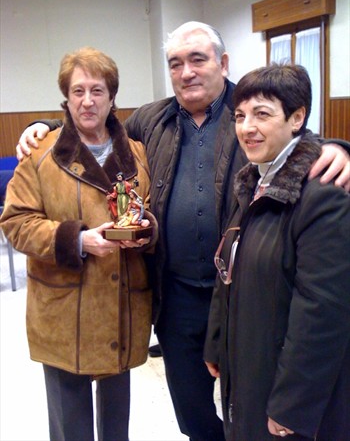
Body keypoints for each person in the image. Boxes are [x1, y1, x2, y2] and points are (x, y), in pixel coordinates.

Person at [15, 22, 350, 441]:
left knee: (248, 407)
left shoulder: (243, 109)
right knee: (192, 411)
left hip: (241, 297)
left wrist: (339, 147)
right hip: (175, 297)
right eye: (176, 63)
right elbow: (96, 126)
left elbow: (291, 138)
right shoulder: (151, 120)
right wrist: (45, 125)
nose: (186, 71)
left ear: (222, 63)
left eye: (198, 59)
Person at [0, 46, 158, 441]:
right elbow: (16, 222)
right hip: (63, 310)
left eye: (97, 91)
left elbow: (150, 209)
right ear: (66, 98)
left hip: (121, 306)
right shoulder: (40, 153)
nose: (87, 101)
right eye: (78, 91)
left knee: (116, 424)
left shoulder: (137, 154)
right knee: (70, 425)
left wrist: (145, 230)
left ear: (112, 97)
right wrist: (78, 240)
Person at [204, 64, 350, 441]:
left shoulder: (323, 195)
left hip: (286, 385)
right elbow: (229, 269)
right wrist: (217, 341)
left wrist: (292, 404)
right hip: (249, 361)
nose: (246, 127)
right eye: (239, 115)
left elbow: (322, 311)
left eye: (262, 114)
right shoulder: (254, 181)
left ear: (297, 117)